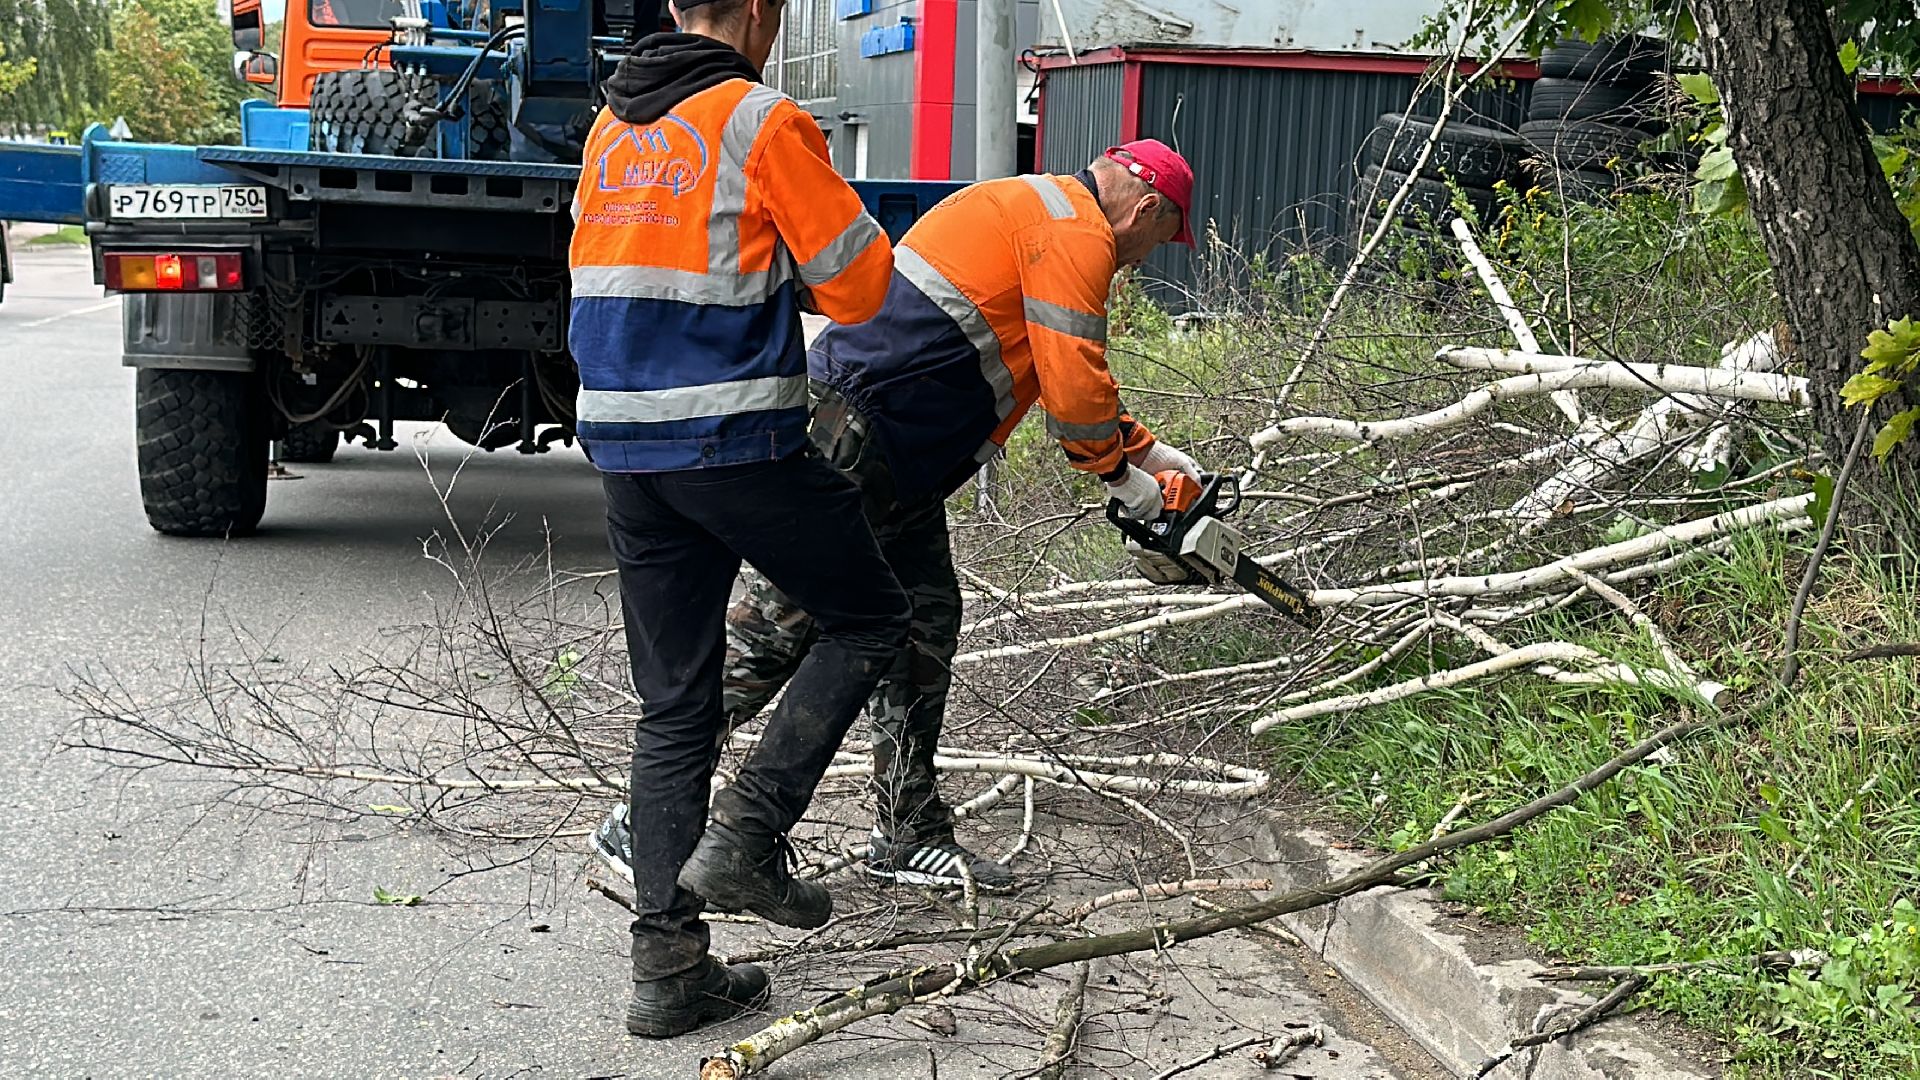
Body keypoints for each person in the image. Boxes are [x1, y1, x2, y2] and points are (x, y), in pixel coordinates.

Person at [592, 139, 1207, 895]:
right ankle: (648, 819)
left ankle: (906, 826)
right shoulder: (1074, 231)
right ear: (1145, 208)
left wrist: (1149, 454)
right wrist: (1124, 480)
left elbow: (1046, 363)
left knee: (922, 618)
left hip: (892, 442)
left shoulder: (1030, 204)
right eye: (1157, 240)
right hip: (864, 432)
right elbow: (1076, 389)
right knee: (781, 626)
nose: (1144, 259)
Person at [566, 0, 911, 1039]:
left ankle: (668, 969)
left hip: (624, 445)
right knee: (870, 620)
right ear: (761, 12)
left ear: (676, 8)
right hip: (733, 442)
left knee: (673, 706)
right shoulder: (760, 120)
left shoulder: (609, 124)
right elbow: (859, 289)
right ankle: (751, 836)